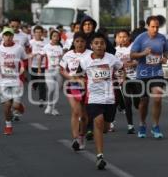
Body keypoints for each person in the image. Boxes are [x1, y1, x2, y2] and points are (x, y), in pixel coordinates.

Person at [78, 32, 124, 170]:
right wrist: (80, 84)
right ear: (91, 45)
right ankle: (100, 156)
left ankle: (92, 132)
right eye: (96, 43)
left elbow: (121, 68)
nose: (99, 46)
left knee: (105, 127)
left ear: (105, 46)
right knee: (97, 121)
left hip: (109, 98)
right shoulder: (85, 60)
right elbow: (79, 75)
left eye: (102, 43)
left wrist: (122, 78)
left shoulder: (111, 59)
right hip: (93, 97)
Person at [130, 15, 168, 139]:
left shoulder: (162, 38)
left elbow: (166, 51)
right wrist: (143, 53)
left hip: (157, 73)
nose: (155, 29)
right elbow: (132, 55)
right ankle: (142, 124)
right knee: (144, 101)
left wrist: (165, 58)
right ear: (148, 26)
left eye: (157, 27)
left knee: (157, 97)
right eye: (153, 27)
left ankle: (155, 126)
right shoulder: (140, 38)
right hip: (142, 74)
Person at [0, 27, 28, 135]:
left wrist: (22, 69)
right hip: (3, 81)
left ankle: (19, 106)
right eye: (6, 35)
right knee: (7, 105)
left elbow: (25, 60)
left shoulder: (19, 48)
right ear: (2, 36)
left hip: (17, 80)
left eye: (10, 35)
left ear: (13, 37)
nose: (8, 37)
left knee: (15, 106)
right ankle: (8, 125)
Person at [60, 32, 91, 151]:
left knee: (84, 116)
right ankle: (75, 139)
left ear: (86, 43)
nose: (79, 44)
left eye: (82, 41)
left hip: (86, 85)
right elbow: (62, 70)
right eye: (77, 41)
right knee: (76, 111)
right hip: (72, 85)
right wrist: (71, 77)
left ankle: (82, 136)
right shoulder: (68, 55)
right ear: (73, 42)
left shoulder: (90, 54)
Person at [115, 29, 139, 134]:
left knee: (137, 102)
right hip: (123, 78)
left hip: (136, 77)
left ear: (129, 37)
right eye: (120, 37)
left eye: (124, 36)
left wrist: (133, 63)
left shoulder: (134, 47)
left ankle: (137, 102)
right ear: (117, 39)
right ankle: (130, 126)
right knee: (127, 101)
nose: (122, 39)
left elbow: (140, 59)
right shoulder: (115, 50)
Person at [38, 30, 63, 115]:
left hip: (59, 71)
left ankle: (54, 108)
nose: (56, 38)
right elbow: (40, 57)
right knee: (51, 88)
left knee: (57, 90)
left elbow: (64, 60)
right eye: (54, 36)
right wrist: (39, 68)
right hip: (48, 70)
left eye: (57, 36)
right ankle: (49, 105)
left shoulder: (61, 47)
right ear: (51, 37)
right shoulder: (46, 47)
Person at [29, 25, 47, 108]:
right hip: (33, 65)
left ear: (42, 33)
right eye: (36, 32)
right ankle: (34, 85)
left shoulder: (46, 42)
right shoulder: (30, 42)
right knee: (34, 81)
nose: (38, 34)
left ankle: (42, 99)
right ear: (34, 33)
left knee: (42, 83)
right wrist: (32, 55)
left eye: (40, 32)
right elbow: (26, 54)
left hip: (43, 65)